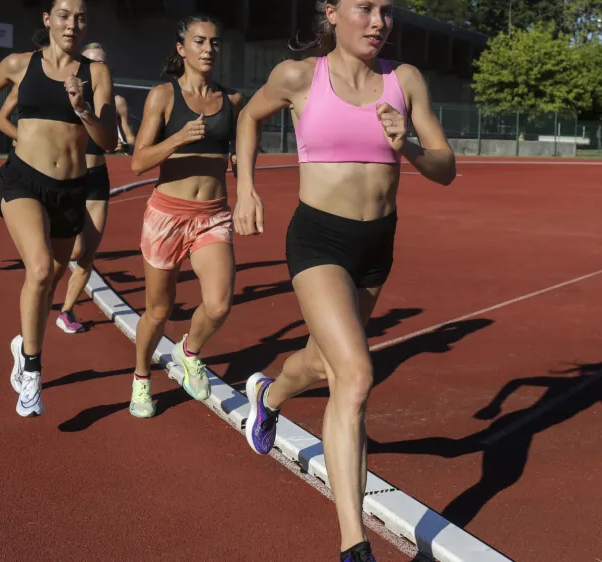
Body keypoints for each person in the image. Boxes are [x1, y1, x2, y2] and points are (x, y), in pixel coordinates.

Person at [233, 1, 455, 560]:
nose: (379, 21)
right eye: (365, 8)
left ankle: (269, 392)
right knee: (354, 377)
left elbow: (445, 167)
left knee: (320, 362)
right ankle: (353, 545)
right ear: (332, 12)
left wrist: (407, 144)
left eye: (386, 11)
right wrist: (245, 188)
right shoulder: (299, 77)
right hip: (319, 242)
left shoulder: (404, 80)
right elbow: (248, 117)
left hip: (377, 248)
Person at [0, 0, 117, 418]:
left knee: (52, 276)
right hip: (23, 180)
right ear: (48, 20)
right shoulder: (21, 64)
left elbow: (107, 140)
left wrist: (83, 108)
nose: (73, 24)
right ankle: (33, 374)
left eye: (81, 17)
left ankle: (22, 346)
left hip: (71, 189)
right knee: (38, 270)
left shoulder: (96, 73)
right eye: (64, 15)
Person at [127, 14, 244, 418]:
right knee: (158, 311)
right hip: (167, 216)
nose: (208, 49)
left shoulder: (232, 102)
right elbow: (138, 162)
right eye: (199, 42)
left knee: (218, 304)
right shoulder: (162, 96)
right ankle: (142, 378)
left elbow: (244, 154)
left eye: (214, 42)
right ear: (182, 49)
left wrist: (246, 188)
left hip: (212, 215)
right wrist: (177, 137)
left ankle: (189, 350)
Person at [0, 40, 136, 335]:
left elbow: (124, 139)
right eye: (93, 61)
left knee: (86, 254)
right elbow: (3, 118)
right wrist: (29, 141)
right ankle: (42, 296)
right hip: (63, 177)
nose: (98, 66)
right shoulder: (48, 82)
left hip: (96, 176)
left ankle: (67, 310)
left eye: (103, 63)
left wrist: (123, 141)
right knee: (67, 255)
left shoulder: (115, 99)